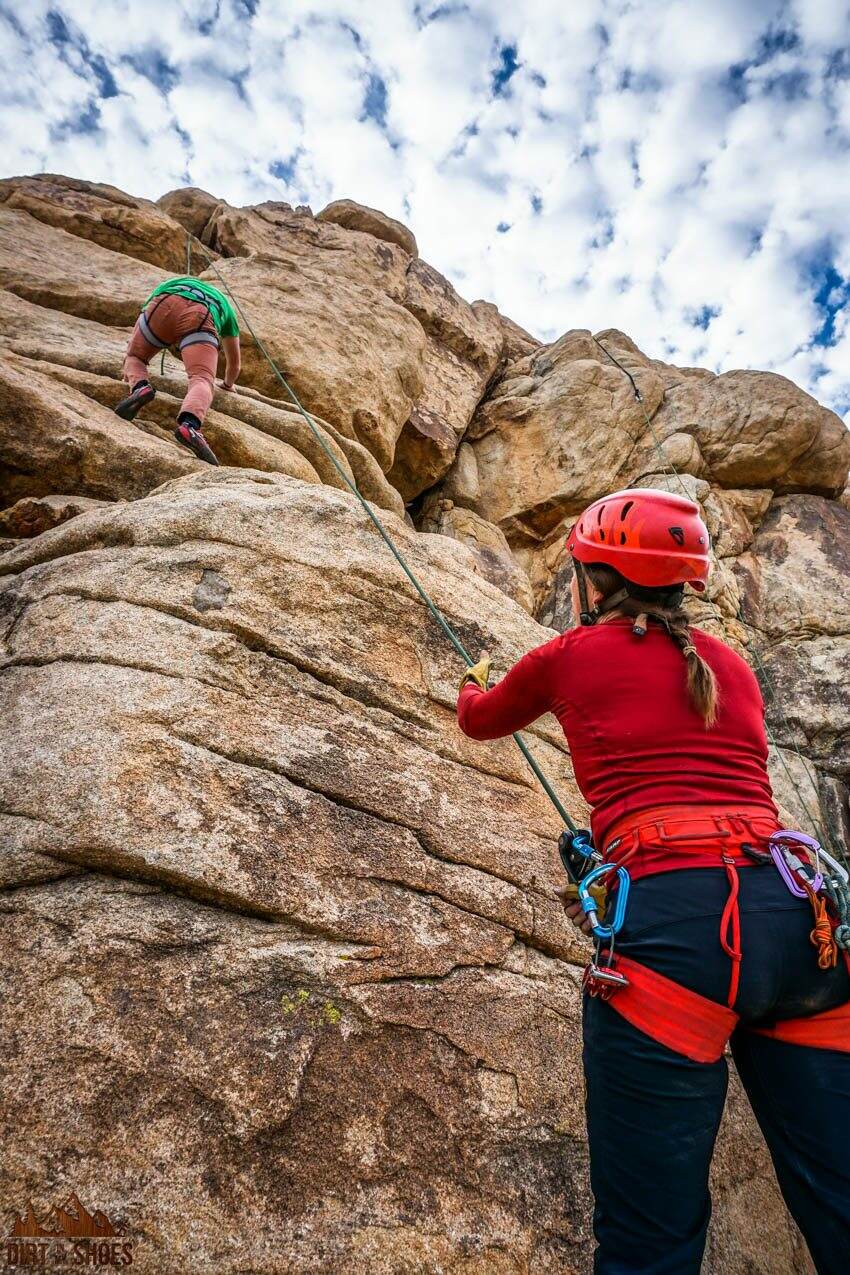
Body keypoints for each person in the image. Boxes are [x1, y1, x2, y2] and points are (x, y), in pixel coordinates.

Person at [456, 488, 850, 1275]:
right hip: (797, 918)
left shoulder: (570, 655)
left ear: (593, 582)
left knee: (651, 1244)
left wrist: (472, 679)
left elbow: (481, 717)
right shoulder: (731, 666)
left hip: (677, 929)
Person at [115, 276, 242, 466]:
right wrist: (227, 384)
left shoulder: (174, 282)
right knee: (201, 379)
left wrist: (133, 353)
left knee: (134, 358)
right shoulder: (225, 306)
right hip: (200, 315)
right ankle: (190, 426)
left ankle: (140, 387)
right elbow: (234, 364)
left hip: (163, 302)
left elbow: (144, 314)